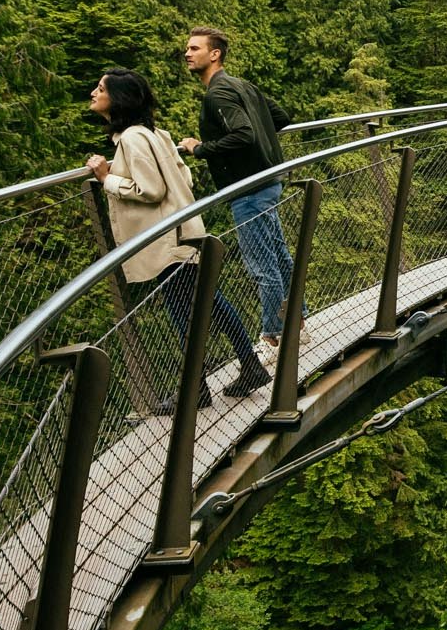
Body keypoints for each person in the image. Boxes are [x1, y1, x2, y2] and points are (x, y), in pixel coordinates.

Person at [85, 69, 270, 402]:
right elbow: (184, 180)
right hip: (184, 230)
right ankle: (237, 369)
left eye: (101, 88)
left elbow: (151, 189)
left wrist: (106, 179)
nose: (93, 93)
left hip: (166, 240)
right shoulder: (157, 133)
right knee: (206, 304)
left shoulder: (131, 139)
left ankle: (200, 388)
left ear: (119, 98)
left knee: (187, 312)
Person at [175, 27, 294, 358]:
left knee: (262, 265)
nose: (187, 53)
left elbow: (243, 134)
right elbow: (281, 117)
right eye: (187, 48)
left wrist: (200, 149)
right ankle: (296, 322)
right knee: (279, 255)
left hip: (249, 190)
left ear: (215, 54)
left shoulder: (218, 94)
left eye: (194, 48)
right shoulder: (242, 85)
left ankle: (272, 338)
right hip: (268, 181)